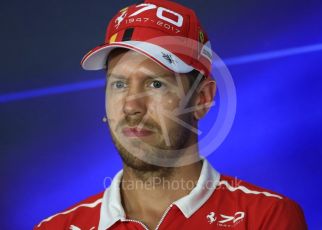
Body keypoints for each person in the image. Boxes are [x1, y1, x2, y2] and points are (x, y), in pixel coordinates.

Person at [35, 0, 307, 229]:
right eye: (119, 84)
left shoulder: (265, 218)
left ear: (202, 99)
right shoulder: (57, 227)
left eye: (156, 83)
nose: (131, 106)